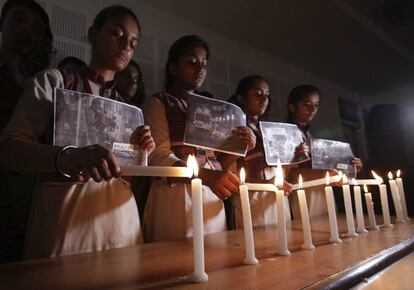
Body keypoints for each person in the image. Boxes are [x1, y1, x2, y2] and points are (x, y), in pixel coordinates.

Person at [0, 5, 155, 259]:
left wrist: (140, 154)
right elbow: (9, 148)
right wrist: (67, 157)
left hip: (121, 220)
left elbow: (127, 176)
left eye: (133, 43)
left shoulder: (129, 109)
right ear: (93, 33)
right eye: (117, 33)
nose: (126, 45)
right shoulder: (55, 82)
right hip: (66, 218)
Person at [143, 35, 242, 242]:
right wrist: (207, 176)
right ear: (172, 67)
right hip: (176, 196)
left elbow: (216, 164)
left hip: (210, 197)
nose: (200, 69)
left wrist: (239, 147)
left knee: (216, 265)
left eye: (204, 64)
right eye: (192, 62)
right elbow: (159, 156)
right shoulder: (158, 102)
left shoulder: (212, 110)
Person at [0, 0, 54, 263]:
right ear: (3, 21)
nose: (27, 32)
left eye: (36, 30)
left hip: (20, 197)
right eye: (20, 20)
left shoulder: (39, 82)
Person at [219, 75, 292, 229]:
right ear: (241, 98)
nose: (264, 99)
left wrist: (294, 154)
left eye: (266, 95)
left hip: (278, 200)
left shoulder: (269, 131)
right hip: (251, 204)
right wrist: (267, 184)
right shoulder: (233, 128)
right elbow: (225, 171)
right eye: (257, 93)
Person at [286, 84, 363, 218]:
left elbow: (328, 167)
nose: (312, 109)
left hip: (322, 191)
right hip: (302, 194)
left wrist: (350, 168)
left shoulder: (310, 136)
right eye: (307, 104)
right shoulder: (285, 134)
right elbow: (290, 173)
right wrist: (325, 173)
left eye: (316, 105)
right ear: (292, 107)